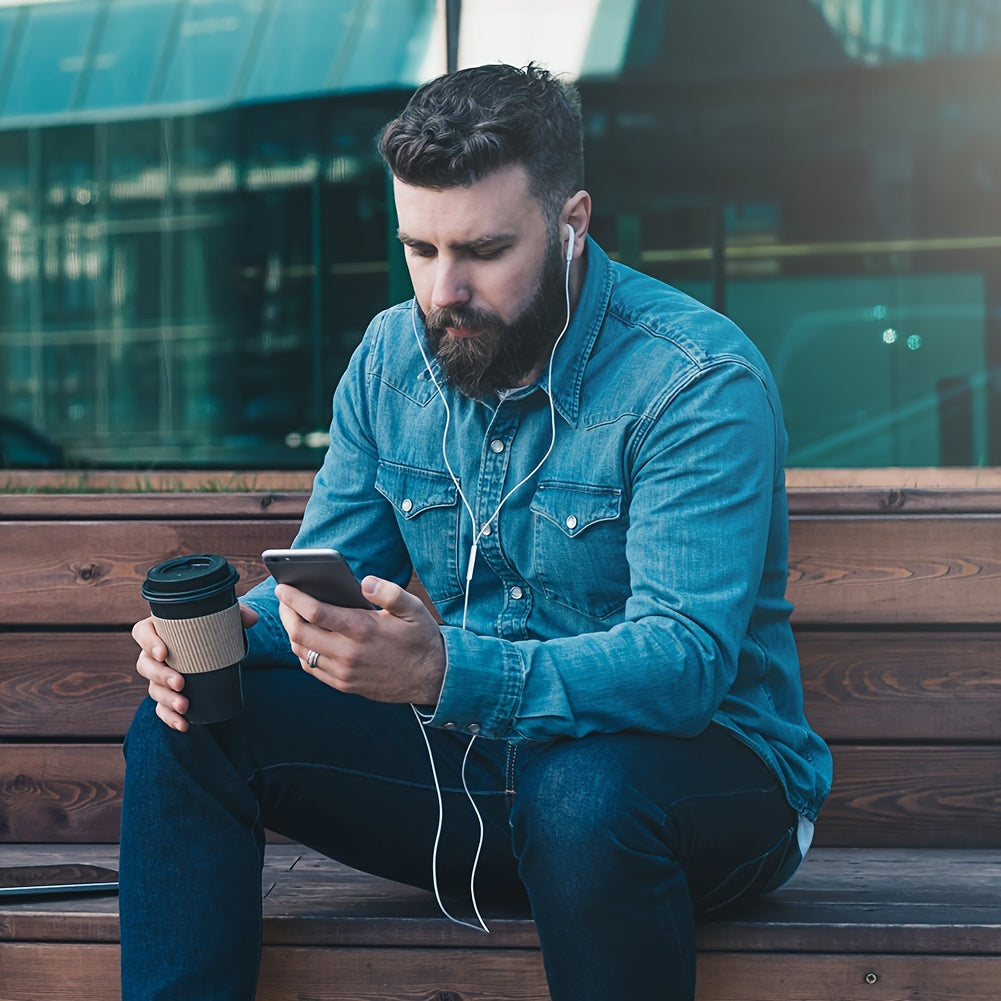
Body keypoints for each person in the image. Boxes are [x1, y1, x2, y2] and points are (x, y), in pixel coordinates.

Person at [121, 62, 832, 1000]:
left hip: (702, 791)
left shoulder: (691, 381)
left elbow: (685, 663)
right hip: (475, 773)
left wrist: (439, 671)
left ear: (571, 221)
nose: (442, 288)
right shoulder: (390, 356)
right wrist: (221, 639)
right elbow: (325, 570)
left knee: (581, 792)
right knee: (188, 723)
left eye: (484, 250)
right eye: (418, 248)